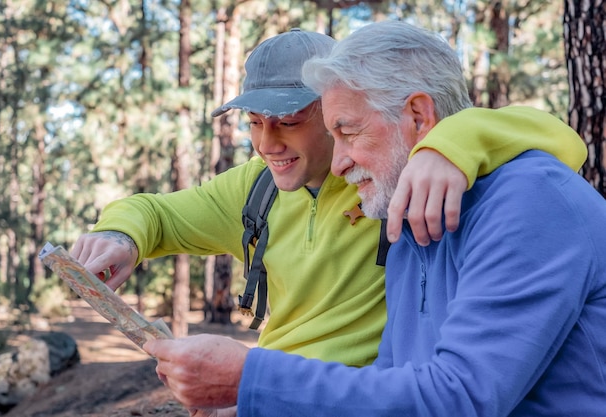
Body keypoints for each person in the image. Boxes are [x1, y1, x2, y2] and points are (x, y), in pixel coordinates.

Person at [143, 21, 606, 417]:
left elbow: (460, 399)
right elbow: (394, 379)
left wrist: (252, 379)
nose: (340, 164)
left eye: (347, 132)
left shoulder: (530, 200)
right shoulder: (407, 224)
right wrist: (257, 404)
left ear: (420, 116)